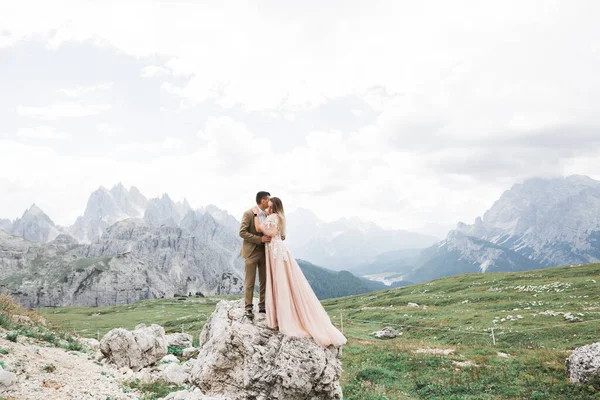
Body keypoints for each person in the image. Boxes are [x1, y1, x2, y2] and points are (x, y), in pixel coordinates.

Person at [252, 197, 347, 348]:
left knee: (280, 282)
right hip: (280, 250)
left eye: (271, 207)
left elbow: (260, 229)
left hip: (275, 253)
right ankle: (283, 314)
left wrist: (256, 214)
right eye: (268, 207)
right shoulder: (281, 218)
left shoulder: (273, 217)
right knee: (285, 281)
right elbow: (282, 235)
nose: (269, 209)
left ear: (275, 208)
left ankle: (282, 318)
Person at [239, 191, 272, 320]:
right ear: (263, 200)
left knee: (264, 280)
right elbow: (242, 232)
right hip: (251, 252)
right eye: (268, 200)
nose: (269, 202)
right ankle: (248, 308)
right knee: (250, 282)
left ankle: (262, 306)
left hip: (265, 252)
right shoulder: (248, 213)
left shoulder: (269, 214)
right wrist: (259, 240)